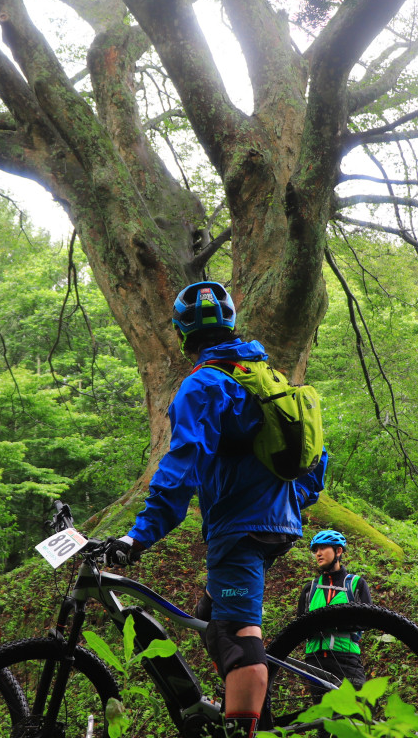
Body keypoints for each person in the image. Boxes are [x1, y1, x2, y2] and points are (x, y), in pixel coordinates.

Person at [108, 281, 326, 738]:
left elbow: (181, 466)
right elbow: (315, 455)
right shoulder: (267, 376)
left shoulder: (203, 383)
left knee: (233, 632)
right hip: (277, 520)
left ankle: (241, 727)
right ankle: (242, 699)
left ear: (183, 334)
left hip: (241, 527)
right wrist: (292, 506)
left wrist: (138, 536)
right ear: (229, 322)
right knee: (210, 619)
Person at [296, 529, 372, 691]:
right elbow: (298, 627)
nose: (318, 553)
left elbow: (367, 620)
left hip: (347, 658)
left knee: (358, 710)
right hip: (315, 660)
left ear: (338, 551)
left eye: (323, 548)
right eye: (315, 550)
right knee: (324, 714)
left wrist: (332, 622)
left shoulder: (355, 584)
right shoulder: (310, 588)